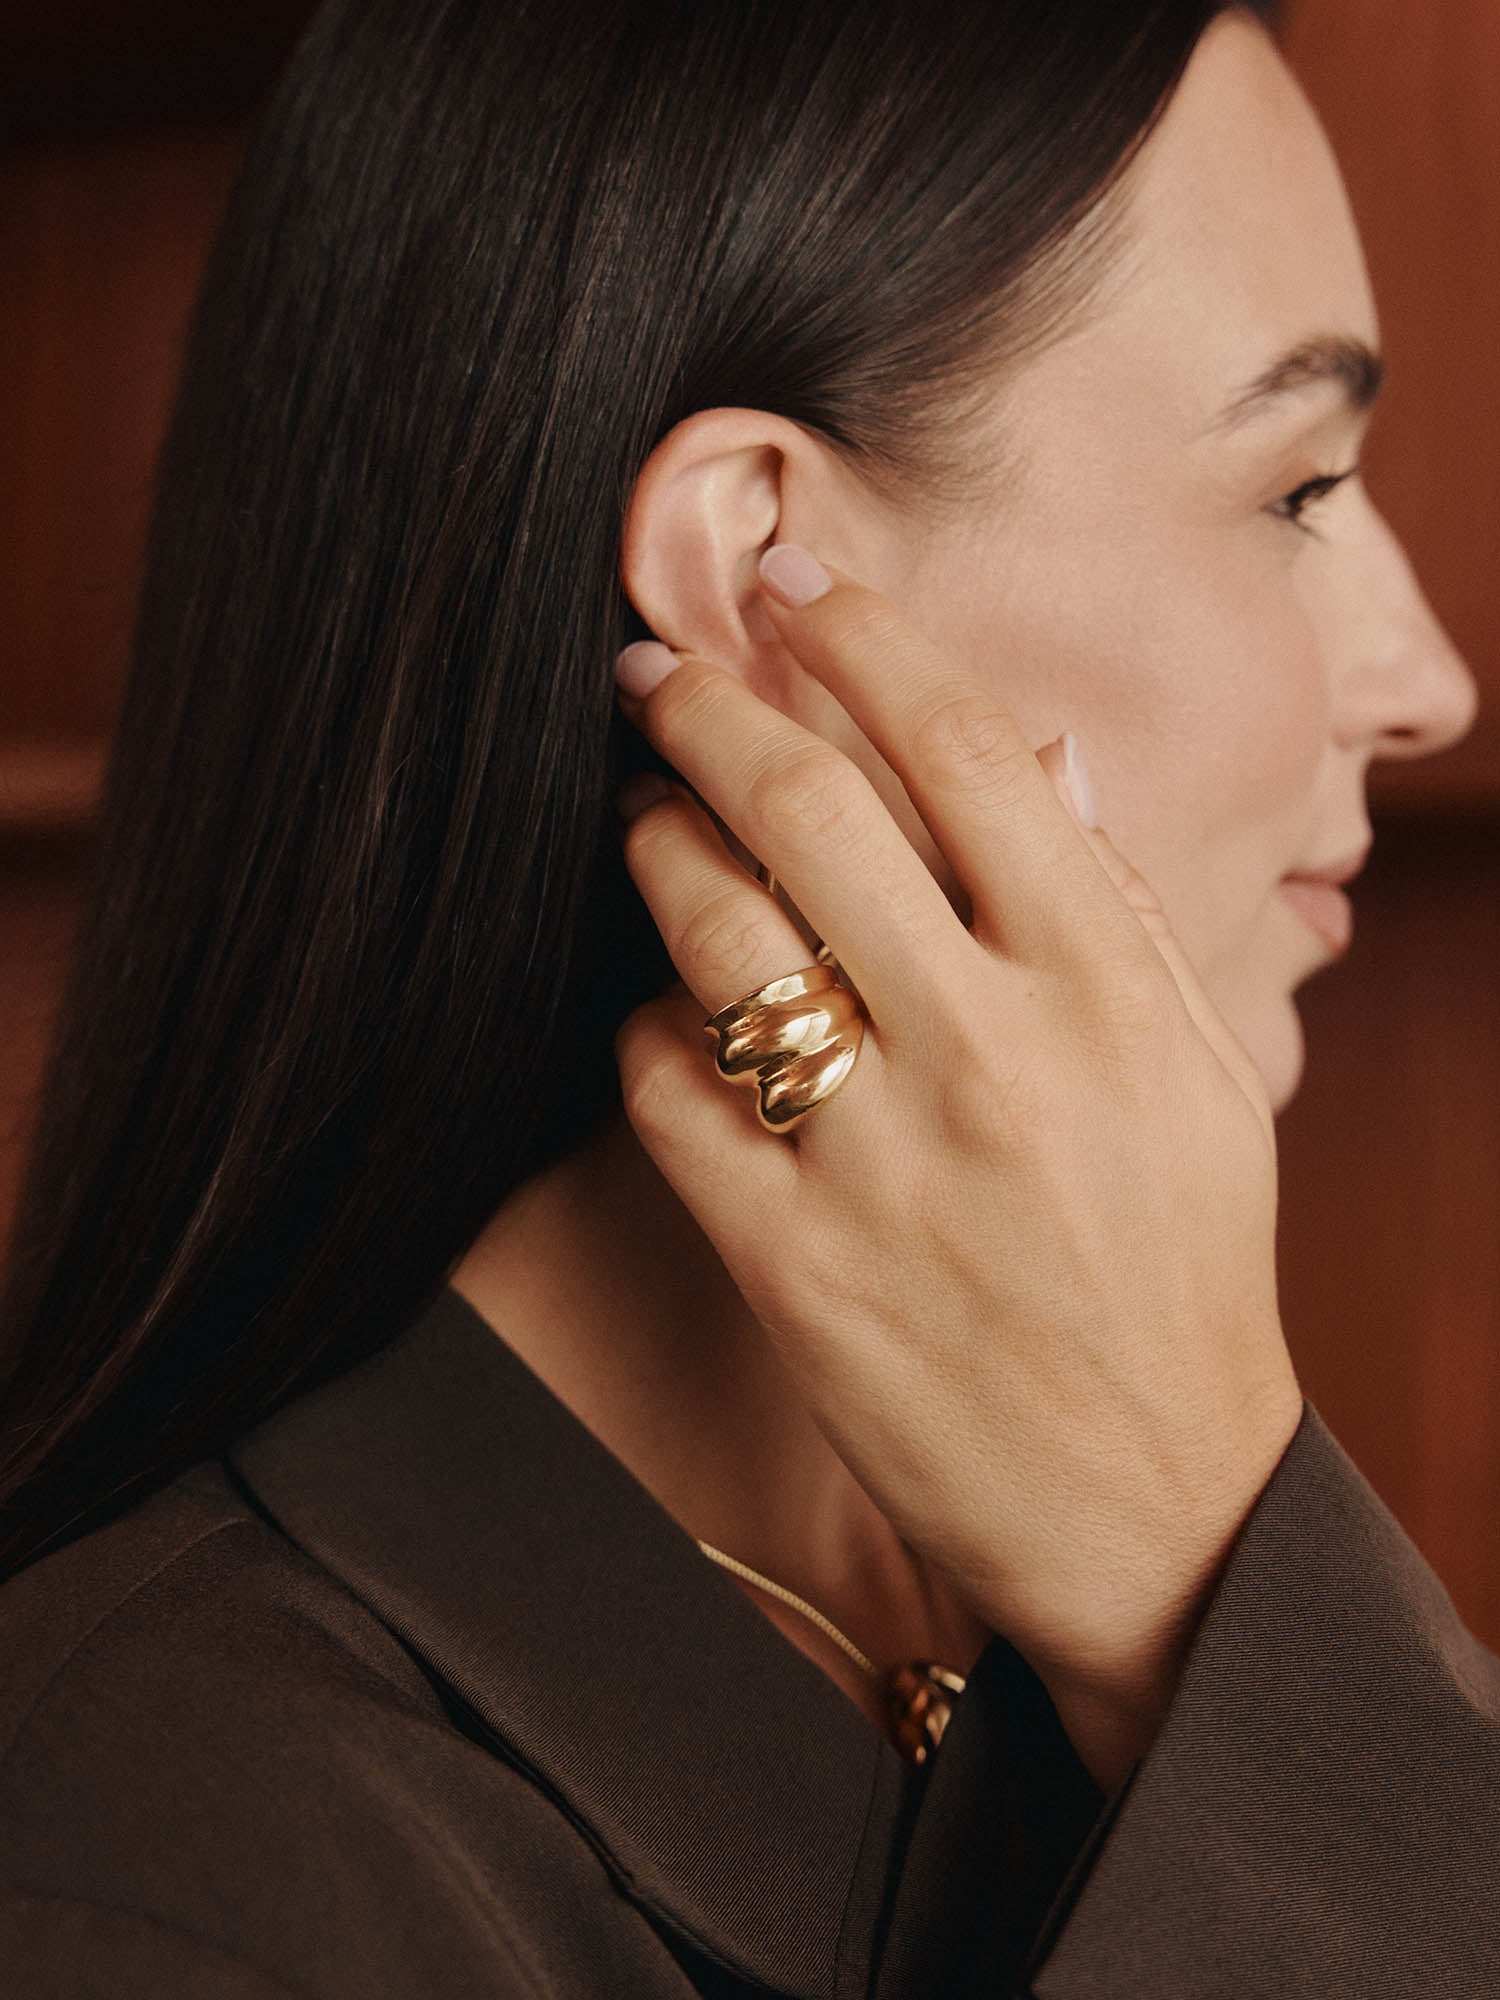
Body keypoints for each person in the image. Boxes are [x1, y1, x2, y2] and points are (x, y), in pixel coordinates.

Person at [0, 0, 1492, 1993]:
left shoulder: (1071, 1572)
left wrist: (1215, 1570)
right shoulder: (156, 1867)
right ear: (764, 572)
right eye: (1299, 490)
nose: (1429, 680)